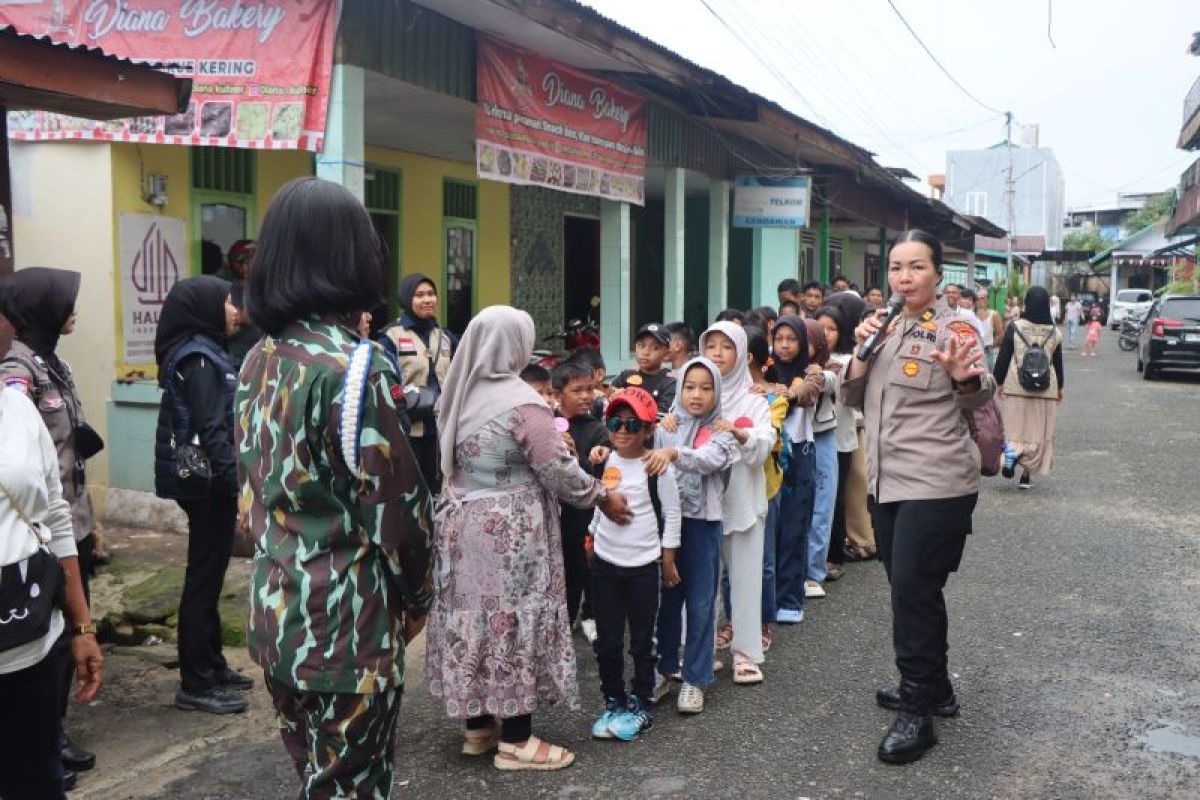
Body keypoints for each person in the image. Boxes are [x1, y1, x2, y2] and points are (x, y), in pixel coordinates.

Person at [237, 177, 434, 797]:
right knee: (353, 787)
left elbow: (249, 496)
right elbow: (399, 512)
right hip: (348, 630)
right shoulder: (355, 366)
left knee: (315, 779)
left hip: (277, 619)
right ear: (352, 255)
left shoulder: (257, 358)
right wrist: (420, 596)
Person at [425, 305, 632, 772]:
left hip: (462, 525)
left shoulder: (461, 393)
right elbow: (557, 470)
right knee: (512, 621)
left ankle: (478, 727)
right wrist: (601, 495)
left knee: (474, 618)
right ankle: (517, 740)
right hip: (510, 532)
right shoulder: (521, 403)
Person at [841, 229, 996, 765]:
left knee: (911, 588)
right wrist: (862, 351)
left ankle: (917, 709)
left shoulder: (956, 326)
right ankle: (938, 687)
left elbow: (980, 392)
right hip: (888, 480)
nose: (904, 277)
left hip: (937, 481)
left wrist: (961, 379)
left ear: (937, 274)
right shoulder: (883, 324)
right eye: (896, 267)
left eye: (916, 267)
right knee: (913, 590)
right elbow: (854, 395)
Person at [0, 267, 102, 779]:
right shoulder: (18, 371)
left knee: (55, 638)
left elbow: (51, 477)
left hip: (59, 524)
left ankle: (50, 735)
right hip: (30, 543)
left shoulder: (40, 371)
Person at [153, 275, 249, 716]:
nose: (235, 311)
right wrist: (237, 488)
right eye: (228, 303)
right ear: (205, 309)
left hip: (208, 483)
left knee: (208, 576)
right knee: (202, 580)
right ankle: (197, 681)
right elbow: (213, 430)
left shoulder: (206, 352)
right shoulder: (200, 359)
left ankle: (212, 664)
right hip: (208, 485)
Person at [587, 388, 680, 742]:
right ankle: (613, 700)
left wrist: (667, 559)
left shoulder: (657, 467)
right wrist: (591, 538)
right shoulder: (604, 461)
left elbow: (672, 513)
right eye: (614, 421)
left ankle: (642, 703)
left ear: (648, 430)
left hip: (643, 566)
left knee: (642, 642)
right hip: (606, 565)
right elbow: (599, 503)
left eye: (632, 424)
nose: (622, 430)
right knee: (607, 642)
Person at [650, 357, 736, 714]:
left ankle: (695, 678)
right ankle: (664, 670)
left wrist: (673, 451)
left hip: (703, 525)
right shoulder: (665, 425)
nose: (697, 394)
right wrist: (665, 436)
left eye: (705, 387)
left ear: (717, 390)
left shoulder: (723, 429)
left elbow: (707, 460)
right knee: (665, 601)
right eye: (689, 387)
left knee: (701, 603)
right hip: (669, 523)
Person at [698, 322, 775, 684]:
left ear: (742, 354)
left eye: (725, 346)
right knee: (702, 582)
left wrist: (740, 432)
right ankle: (700, 652)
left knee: (744, 578)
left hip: (742, 502)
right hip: (700, 504)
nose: (716, 353)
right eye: (710, 345)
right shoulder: (695, 394)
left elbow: (765, 442)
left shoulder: (754, 399)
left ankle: (745, 653)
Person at [766, 316, 821, 624]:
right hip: (768, 454)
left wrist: (788, 392)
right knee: (770, 529)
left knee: (794, 528)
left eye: (791, 339)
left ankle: (790, 598)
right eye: (779, 339)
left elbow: (811, 390)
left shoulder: (810, 372)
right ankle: (769, 596)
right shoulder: (762, 371)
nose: (784, 345)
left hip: (800, 453)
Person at [381, 273, 455, 494]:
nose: (427, 300)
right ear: (406, 299)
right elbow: (383, 381)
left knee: (438, 486)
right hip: (407, 427)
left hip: (440, 427)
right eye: (419, 295)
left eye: (431, 294)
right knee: (409, 488)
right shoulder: (390, 336)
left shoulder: (445, 337)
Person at [552, 358, 608, 644]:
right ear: (558, 393)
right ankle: (565, 618)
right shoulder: (546, 423)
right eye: (578, 390)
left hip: (584, 512)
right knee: (563, 569)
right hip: (554, 513)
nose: (587, 396)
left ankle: (590, 614)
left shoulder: (597, 430)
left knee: (586, 566)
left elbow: (597, 476)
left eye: (590, 389)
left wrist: (579, 458)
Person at [993, 287, 1064, 491]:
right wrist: (1060, 387)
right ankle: (1026, 476)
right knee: (1037, 432)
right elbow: (1057, 363)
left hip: (1016, 386)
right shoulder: (1054, 332)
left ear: (1027, 304)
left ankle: (1011, 456)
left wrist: (997, 381)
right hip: (1045, 389)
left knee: (1014, 429)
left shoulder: (1015, 327)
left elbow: (1004, 356)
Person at [816, 292, 865, 583]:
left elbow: (852, 397)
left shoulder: (849, 359)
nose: (825, 334)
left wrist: (835, 375)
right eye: (820, 328)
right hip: (812, 439)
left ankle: (834, 555)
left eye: (832, 329)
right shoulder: (805, 359)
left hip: (840, 438)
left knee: (834, 499)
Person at [803, 318, 838, 599]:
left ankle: (814, 572)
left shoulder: (829, 370)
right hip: (790, 442)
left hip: (822, 437)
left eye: (805, 338)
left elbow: (825, 382)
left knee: (821, 507)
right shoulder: (774, 369)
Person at [611, 323, 675, 414]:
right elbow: (608, 394)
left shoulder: (669, 382)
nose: (645, 352)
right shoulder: (626, 375)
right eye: (641, 346)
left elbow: (660, 415)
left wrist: (626, 396)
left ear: (667, 354)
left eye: (655, 348)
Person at [222, 240, 261, 366]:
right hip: (235, 360)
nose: (245, 266)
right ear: (231, 263)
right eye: (240, 261)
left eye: (251, 260)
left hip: (265, 358)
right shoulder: (224, 289)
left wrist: (249, 317)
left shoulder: (271, 289)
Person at [975, 287, 1005, 371]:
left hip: (988, 351)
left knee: (988, 376)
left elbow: (1000, 334)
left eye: (983, 298)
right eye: (978, 298)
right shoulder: (971, 315)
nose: (980, 300)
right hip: (974, 351)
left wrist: (990, 345)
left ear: (987, 300)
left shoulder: (993, 315)